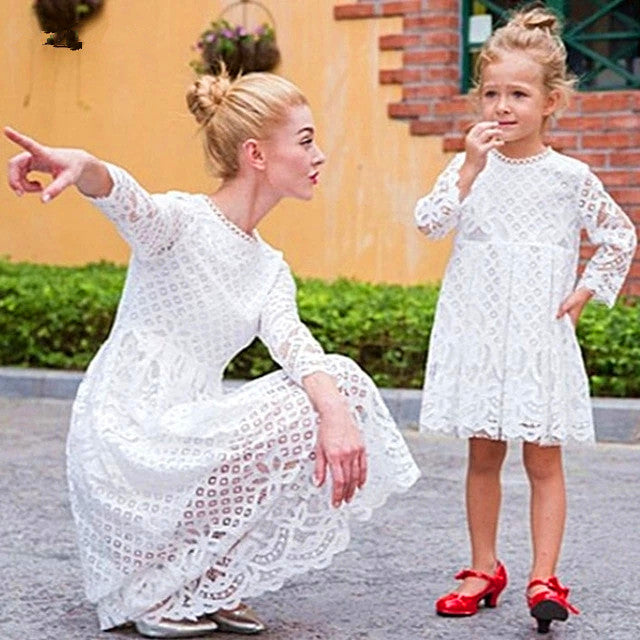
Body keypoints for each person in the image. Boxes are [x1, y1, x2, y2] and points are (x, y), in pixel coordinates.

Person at [5, 70, 420, 638]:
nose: (319, 155)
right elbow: (128, 201)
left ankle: (209, 579)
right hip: (128, 434)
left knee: (335, 385)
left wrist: (337, 414)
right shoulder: (180, 222)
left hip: (191, 426)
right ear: (256, 153)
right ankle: (157, 591)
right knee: (328, 394)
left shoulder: (268, 267)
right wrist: (85, 166)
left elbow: (296, 345)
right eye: (304, 140)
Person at [413, 6, 637, 635]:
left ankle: (546, 576)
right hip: (481, 336)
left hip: (537, 337)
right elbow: (428, 224)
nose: (502, 107)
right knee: (482, 457)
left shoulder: (570, 178)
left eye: (518, 93)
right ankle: (483, 567)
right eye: (491, 93)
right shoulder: (470, 169)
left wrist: (586, 290)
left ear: (551, 102)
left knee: (544, 461)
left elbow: (619, 237)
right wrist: (466, 168)